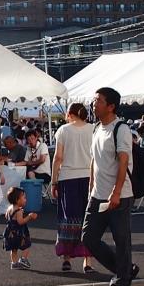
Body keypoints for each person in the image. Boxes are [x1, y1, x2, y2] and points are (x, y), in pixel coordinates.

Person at [83, 87, 138, 286]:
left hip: (119, 197)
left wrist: (116, 192)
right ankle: (125, 270)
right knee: (88, 237)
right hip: (98, 195)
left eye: (98, 101)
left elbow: (123, 162)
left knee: (121, 241)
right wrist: (91, 189)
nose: (94, 104)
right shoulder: (97, 128)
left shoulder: (120, 129)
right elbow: (94, 161)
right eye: (94, 100)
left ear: (111, 106)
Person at [51, 103, 94, 273]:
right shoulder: (93, 129)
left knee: (68, 219)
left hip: (68, 178)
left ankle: (66, 259)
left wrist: (54, 181)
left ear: (69, 113)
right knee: (88, 219)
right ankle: (88, 261)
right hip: (89, 177)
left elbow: (58, 157)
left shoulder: (63, 130)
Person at [3, 186, 37, 270]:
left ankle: (14, 263)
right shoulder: (19, 211)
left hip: (10, 232)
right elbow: (20, 222)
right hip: (18, 233)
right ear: (17, 200)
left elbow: (6, 217)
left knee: (13, 249)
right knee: (27, 245)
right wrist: (29, 217)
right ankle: (23, 259)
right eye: (24, 198)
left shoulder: (9, 208)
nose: (26, 200)